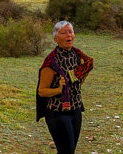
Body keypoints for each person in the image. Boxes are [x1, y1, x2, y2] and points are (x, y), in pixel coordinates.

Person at [35, 20, 95, 154]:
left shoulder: (77, 55)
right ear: (56, 39)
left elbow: (77, 83)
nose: (69, 35)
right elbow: (42, 91)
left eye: (71, 32)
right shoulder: (51, 62)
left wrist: (83, 74)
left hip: (76, 109)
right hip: (58, 113)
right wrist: (59, 89)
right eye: (64, 33)